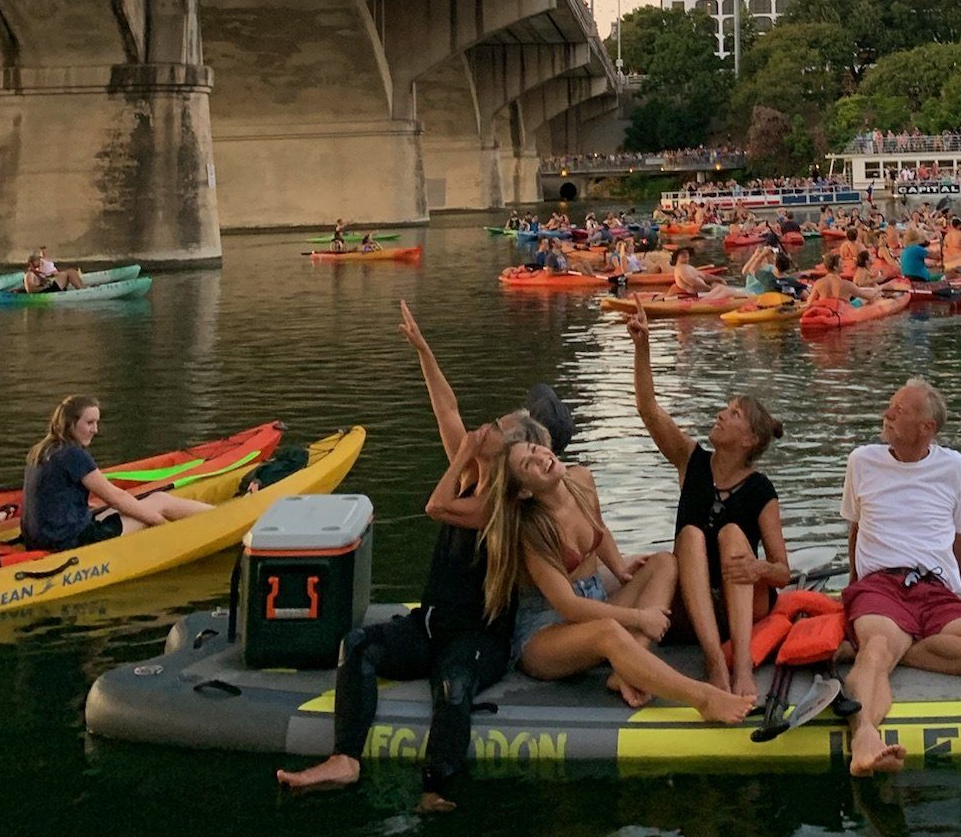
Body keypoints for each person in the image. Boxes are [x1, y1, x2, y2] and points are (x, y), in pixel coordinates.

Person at [279, 303, 571, 808]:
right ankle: (345, 758)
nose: (482, 428)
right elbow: (447, 408)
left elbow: (435, 506)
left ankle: (435, 788)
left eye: (494, 429)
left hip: (478, 639)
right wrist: (423, 349)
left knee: (454, 687)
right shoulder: (469, 475)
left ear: (503, 456)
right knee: (359, 645)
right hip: (429, 626)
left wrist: (461, 454)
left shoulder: (496, 508)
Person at [482, 437, 753, 725]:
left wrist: (620, 569)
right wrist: (639, 617)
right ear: (524, 491)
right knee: (608, 631)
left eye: (536, 449)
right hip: (546, 632)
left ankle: (626, 671)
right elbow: (569, 606)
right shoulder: (531, 532)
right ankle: (704, 699)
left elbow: (600, 528)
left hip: (594, 601)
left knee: (662, 563)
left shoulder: (581, 479)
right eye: (529, 464)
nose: (541, 458)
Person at [839, 381, 961, 776]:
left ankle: (890, 652)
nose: (887, 414)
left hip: (935, 588)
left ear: (927, 427)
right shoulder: (862, 461)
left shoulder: (954, 466)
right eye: (891, 405)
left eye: (899, 410)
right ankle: (865, 735)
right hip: (881, 583)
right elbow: (855, 530)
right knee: (878, 647)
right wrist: (852, 588)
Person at [627, 310, 790, 702]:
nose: (720, 413)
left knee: (734, 534)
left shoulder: (761, 490)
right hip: (692, 611)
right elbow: (650, 411)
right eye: (726, 408)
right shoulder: (691, 460)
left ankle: (742, 666)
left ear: (749, 439)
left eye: (732, 413)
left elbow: (783, 572)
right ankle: (716, 662)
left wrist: (759, 567)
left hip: (741, 609)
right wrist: (642, 347)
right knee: (690, 535)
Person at [22, 396, 211, 550]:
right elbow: (116, 497)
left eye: (96, 422)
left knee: (121, 507)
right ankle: (221, 519)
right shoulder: (73, 455)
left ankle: (214, 517)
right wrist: (161, 524)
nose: (95, 430)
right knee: (159, 501)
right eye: (89, 423)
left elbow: (53, 492)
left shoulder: (42, 450)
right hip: (68, 540)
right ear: (71, 424)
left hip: (39, 537)